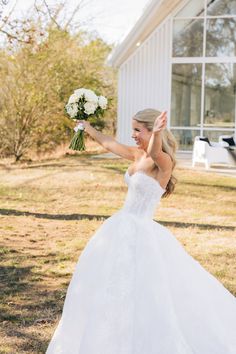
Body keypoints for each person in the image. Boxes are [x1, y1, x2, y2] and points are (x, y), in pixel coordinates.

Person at [46, 109, 236, 354]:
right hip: (119, 227)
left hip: (143, 232)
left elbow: (156, 151)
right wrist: (87, 127)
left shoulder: (162, 161)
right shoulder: (136, 155)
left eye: (138, 129)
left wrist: (157, 134)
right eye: (133, 129)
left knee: (148, 288)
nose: (133, 134)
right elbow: (110, 143)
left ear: (152, 129)